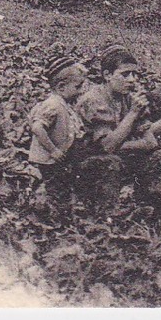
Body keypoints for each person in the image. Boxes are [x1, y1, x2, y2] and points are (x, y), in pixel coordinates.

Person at [76, 46, 161, 207]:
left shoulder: (129, 98)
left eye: (134, 74)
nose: (132, 80)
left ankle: (151, 209)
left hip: (121, 156)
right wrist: (132, 114)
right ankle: (105, 215)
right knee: (111, 162)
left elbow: (151, 142)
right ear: (107, 75)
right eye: (125, 74)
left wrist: (124, 143)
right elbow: (108, 147)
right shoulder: (94, 100)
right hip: (89, 163)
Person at [27, 53, 118, 207]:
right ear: (61, 87)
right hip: (48, 160)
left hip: (59, 158)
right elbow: (37, 127)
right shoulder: (53, 105)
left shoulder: (65, 104)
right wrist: (53, 150)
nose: (80, 91)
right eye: (77, 87)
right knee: (55, 188)